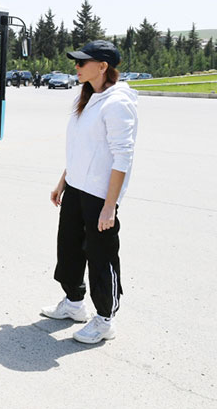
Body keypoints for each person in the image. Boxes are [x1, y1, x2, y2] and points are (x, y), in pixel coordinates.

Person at [41, 40, 138, 344]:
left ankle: (105, 320)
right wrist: (63, 182)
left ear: (103, 66)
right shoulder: (86, 98)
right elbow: (79, 150)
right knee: (68, 249)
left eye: (82, 62)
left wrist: (110, 205)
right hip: (76, 188)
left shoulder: (117, 103)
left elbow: (123, 157)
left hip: (99, 195)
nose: (77, 67)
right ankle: (74, 303)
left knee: (100, 257)